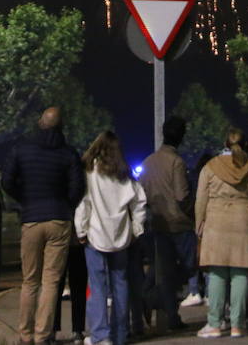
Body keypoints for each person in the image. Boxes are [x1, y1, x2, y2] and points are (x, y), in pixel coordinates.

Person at [3, 106, 87, 345]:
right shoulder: (68, 153)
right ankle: (42, 335)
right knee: (51, 281)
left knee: (30, 281)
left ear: (41, 123)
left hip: (31, 218)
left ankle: (25, 335)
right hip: (58, 220)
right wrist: (65, 205)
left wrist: (25, 199)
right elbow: (78, 188)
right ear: (61, 127)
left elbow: (6, 181)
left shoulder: (21, 149)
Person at [75, 131, 147, 345]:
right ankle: (120, 334)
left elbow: (84, 203)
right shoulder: (124, 174)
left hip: (95, 235)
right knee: (120, 284)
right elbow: (140, 202)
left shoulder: (90, 171)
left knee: (97, 287)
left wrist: (80, 230)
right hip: (121, 236)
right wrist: (136, 229)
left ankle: (100, 335)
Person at [194, 128, 248, 338]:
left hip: (216, 222)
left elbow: (201, 199)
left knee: (217, 273)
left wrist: (199, 224)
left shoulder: (210, 166)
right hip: (243, 221)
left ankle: (214, 323)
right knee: (240, 274)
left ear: (225, 143)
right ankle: (237, 325)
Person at [141, 115, 192, 331]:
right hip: (179, 224)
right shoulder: (176, 162)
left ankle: (170, 314)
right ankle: (152, 297)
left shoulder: (148, 161)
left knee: (164, 271)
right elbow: (182, 196)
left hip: (157, 222)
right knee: (191, 265)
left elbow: (142, 194)